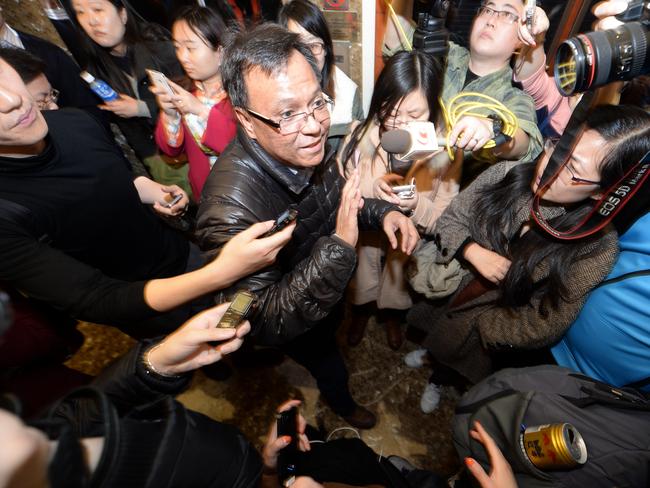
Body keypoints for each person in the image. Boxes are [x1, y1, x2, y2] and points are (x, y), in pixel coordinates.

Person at [195, 23, 419, 429]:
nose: (315, 125)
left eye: (317, 103)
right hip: (299, 323)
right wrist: (339, 248)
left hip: (324, 296)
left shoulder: (305, 144)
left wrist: (381, 213)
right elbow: (260, 319)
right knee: (329, 365)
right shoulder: (230, 207)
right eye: (286, 113)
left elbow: (335, 205)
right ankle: (343, 407)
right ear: (245, 120)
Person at [0, 54, 294, 338]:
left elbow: (110, 174)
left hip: (181, 253)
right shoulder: (6, 212)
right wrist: (221, 272)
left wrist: (153, 191)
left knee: (239, 323)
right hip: (143, 301)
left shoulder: (75, 122)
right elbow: (96, 297)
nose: (12, 100)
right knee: (202, 347)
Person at [406, 104, 650, 412]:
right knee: (432, 333)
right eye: (558, 147)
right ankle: (428, 354)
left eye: (572, 168)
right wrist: (472, 251)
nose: (550, 165)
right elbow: (452, 218)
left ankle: (438, 379)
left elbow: (547, 320)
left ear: (602, 193)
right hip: (448, 294)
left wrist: (487, 329)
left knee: (454, 361)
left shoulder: (597, 248)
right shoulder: (509, 172)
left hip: (481, 332)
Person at [337, 50, 454, 350]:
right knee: (363, 279)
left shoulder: (445, 150)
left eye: (414, 115)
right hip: (366, 238)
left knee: (395, 282)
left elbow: (444, 218)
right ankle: (361, 313)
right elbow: (345, 193)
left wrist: (415, 205)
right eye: (390, 111)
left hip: (407, 247)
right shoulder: (360, 135)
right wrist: (374, 188)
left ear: (433, 108)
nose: (399, 124)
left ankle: (390, 317)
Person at [384, 0, 543, 183]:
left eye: (507, 14)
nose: (491, 20)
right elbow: (397, 41)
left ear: (521, 38)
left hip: (445, 201)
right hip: (395, 174)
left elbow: (523, 143)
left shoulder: (514, 98)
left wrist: (493, 128)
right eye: (487, 10)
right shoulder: (442, 51)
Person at [69, 0, 191, 196]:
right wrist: (153, 163)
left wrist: (141, 108)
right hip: (160, 161)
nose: (91, 21)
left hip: (193, 146)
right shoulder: (94, 72)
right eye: (80, 13)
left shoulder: (163, 48)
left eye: (98, 9)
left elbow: (195, 102)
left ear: (123, 14)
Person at [153, 5, 237, 199]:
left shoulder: (242, 92)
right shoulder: (186, 91)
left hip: (244, 192)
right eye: (177, 47)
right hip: (207, 195)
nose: (182, 57)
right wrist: (170, 114)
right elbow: (171, 150)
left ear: (221, 52)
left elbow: (237, 147)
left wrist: (200, 110)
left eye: (190, 48)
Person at [278, 0, 364, 149]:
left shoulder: (348, 95)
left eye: (313, 45)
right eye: (298, 47)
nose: (307, 56)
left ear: (326, 49)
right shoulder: (272, 95)